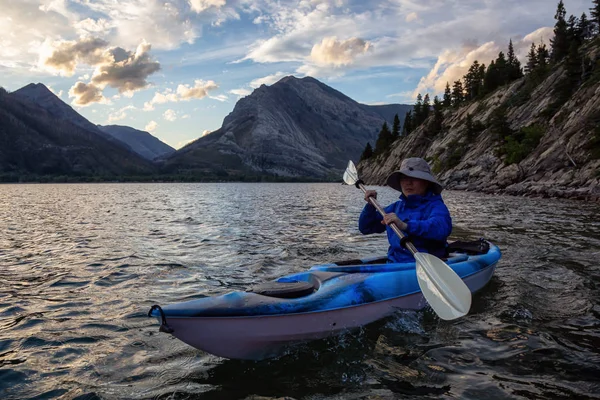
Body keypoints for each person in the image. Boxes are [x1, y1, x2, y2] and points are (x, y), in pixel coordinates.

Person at [358, 157, 452, 263]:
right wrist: (370, 206)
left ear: (426, 182)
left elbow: (440, 228)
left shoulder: (436, 206)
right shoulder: (395, 208)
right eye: (404, 178)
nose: (408, 183)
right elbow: (365, 228)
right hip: (395, 264)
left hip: (427, 264)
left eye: (415, 178)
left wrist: (405, 226)